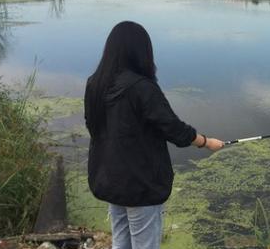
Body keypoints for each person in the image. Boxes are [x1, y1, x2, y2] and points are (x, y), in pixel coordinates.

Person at [84, 21, 224, 249]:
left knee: (121, 240)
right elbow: (173, 128)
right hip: (140, 184)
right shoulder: (143, 88)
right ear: (141, 51)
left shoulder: (95, 84)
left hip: (110, 179)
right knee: (145, 243)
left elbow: (92, 126)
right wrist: (207, 142)